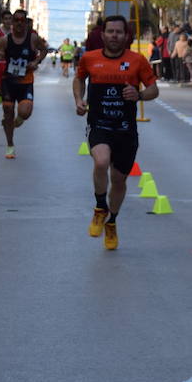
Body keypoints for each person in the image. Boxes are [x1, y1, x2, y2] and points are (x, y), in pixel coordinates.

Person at [74, 15, 159, 250]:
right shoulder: (90, 59)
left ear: (126, 35)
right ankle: (100, 207)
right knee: (101, 161)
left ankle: (112, 221)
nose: (114, 36)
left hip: (125, 129)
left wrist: (139, 95)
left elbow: (154, 89)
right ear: (102, 35)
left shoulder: (137, 61)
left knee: (119, 180)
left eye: (118, 32)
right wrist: (79, 100)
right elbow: (79, 79)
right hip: (99, 123)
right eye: (110, 31)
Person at [0, 10, 46, 158]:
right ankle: (10, 145)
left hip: (26, 81)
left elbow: (44, 49)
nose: (19, 23)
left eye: (22, 21)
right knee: (7, 110)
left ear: (26, 23)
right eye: (16, 20)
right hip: (9, 80)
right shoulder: (5, 40)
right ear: (12, 23)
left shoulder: (33, 39)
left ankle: (18, 120)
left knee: (25, 112)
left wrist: (36, 61)